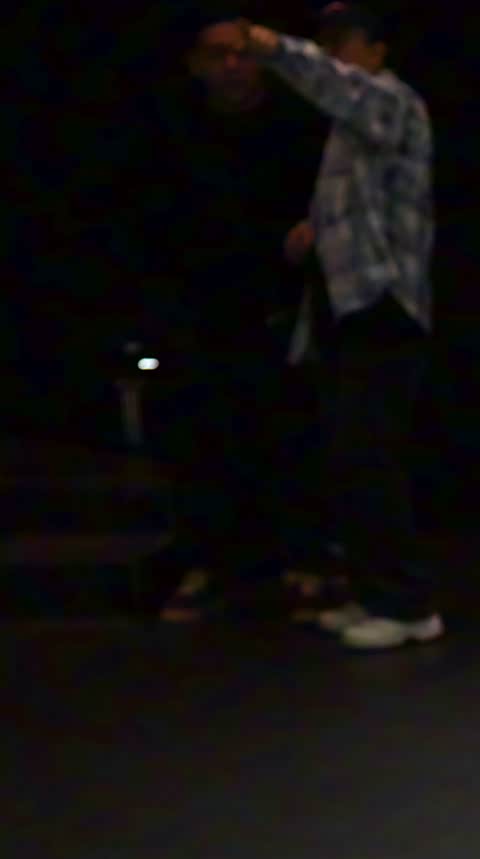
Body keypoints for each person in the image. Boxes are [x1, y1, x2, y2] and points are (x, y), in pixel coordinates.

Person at [242, 4, 443, 650]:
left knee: (370, 459)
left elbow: (335, 85)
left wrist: (274, 46)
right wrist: (314, 230)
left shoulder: (391, 99)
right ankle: (373, 592)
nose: (334, 55)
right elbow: (356, 202)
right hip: (345, 309)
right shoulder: (351, 125)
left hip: (383, 307)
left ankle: (408, 605)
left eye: (345, 43)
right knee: (346, 460)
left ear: (378, 50)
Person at [145, 9, 335, 623]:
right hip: (199, 307)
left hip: (280, 305)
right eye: (218, 54)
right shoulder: (174, 129)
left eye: (242, 53)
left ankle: (303, 563)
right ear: (196, 64)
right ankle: (206, 562)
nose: (232, 66)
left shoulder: (297, 127)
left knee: (290, 433)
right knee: (201, 436)